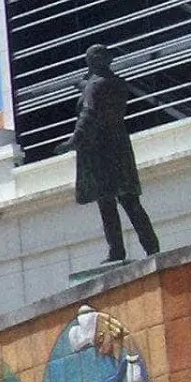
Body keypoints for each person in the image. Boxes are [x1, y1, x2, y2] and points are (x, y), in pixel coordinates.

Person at [64, 44, 160, 264]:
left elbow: (88, 114)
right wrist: (84, 85)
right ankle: (151, 246)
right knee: (130, 201)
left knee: (107, 203)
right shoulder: (118, 83)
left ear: (92, 62)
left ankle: (116, 251)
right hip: (120, 146)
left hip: (100, 150)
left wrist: (73, 141)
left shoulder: (94, 86)